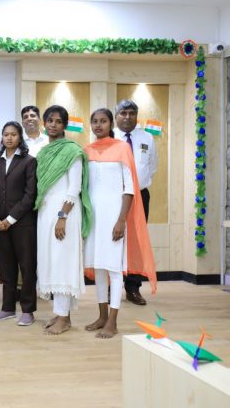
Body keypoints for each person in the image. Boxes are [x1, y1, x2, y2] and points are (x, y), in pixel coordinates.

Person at [84, 108, 157, 338]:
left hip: (114, 217)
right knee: (99, 267)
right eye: (95, 121)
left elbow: (129, 188)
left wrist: (121, 220)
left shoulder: (122, 148)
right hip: (94, 219)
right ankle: (102, 316)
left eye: (103, 121)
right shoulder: (87, 151)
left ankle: (113, 321)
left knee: (115, 269)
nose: (98, 125)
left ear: (111, 124)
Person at [35, 105, 92, 335]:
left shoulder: (72, 151)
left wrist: (62, 217)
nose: (53, 125)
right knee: (50, 262)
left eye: (58, 121)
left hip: (65, 214)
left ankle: (64, 318)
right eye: (50, 120)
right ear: (44, 123)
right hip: (45, 213)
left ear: (65, 125)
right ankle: (60, 314)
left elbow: (74, 188)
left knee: (62, 263)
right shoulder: (43, 152)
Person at [0, 121, 37, 326]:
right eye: (6, 134)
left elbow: (30, 195)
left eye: (13, 134)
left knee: (27, 267)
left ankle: (28, 310)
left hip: (22, 223)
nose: (9, 138)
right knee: (6, 267)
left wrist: (10, 219)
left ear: (20, 137)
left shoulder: (29, 161)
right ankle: (7, 308)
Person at [113, 99, 158, 306]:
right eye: (123, 113)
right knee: (113, 238)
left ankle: (133, 288)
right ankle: (111, 288)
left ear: (136, 116)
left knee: (136, 242)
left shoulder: (147, 137)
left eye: (131, 113)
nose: (127, 117)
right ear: (116, 116)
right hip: (114, 196)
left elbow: (152, 166)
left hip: (140, 196)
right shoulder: (110, 136)